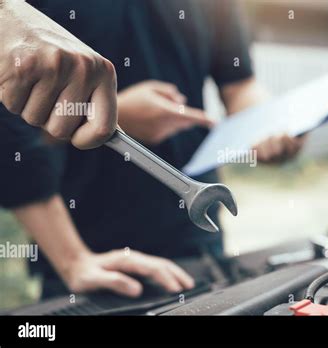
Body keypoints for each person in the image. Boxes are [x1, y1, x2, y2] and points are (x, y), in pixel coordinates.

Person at [0, 0, 306, 299]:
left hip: (197, 242)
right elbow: (13, 132)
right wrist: (72, 260)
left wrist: (271, 121)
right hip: (91, 259)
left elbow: (240, 84)